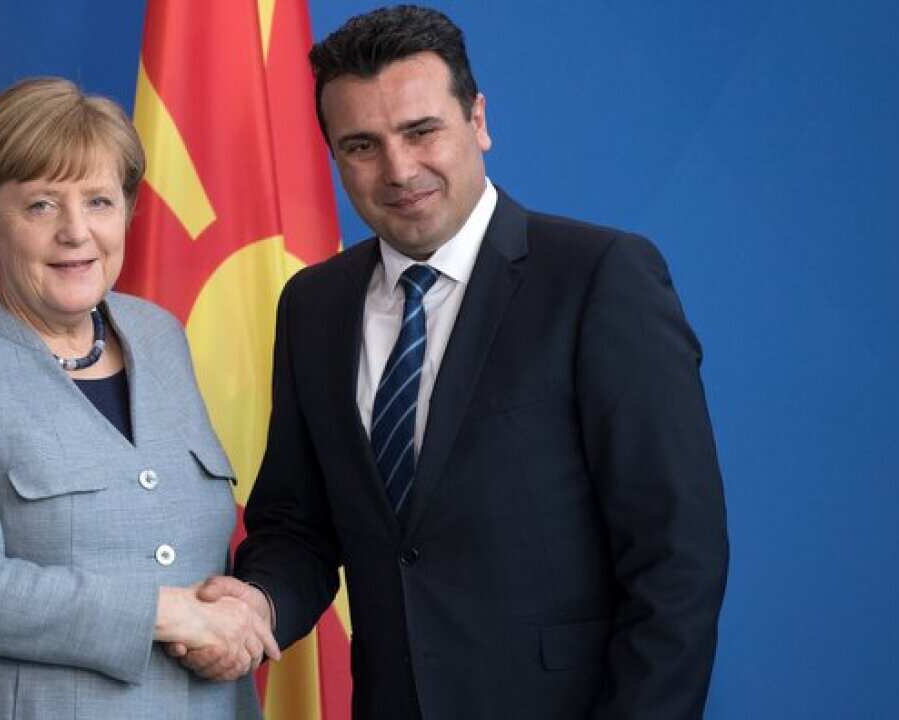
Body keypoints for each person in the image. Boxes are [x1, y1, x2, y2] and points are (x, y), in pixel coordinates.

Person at [175, 5, 729, 718]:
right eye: (362, 145)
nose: (400, 169)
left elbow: (677, 558)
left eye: (421, 130)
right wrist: (258, 602)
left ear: (478, 121)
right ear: (335, 156)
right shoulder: (313, 306)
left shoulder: (599, 278)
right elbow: (299, 525)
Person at [0, 77, 276, 720]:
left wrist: (233, 615)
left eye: (100, 201)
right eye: (42, 206)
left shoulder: (160, 335)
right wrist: (166, 613)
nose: (77, 232)